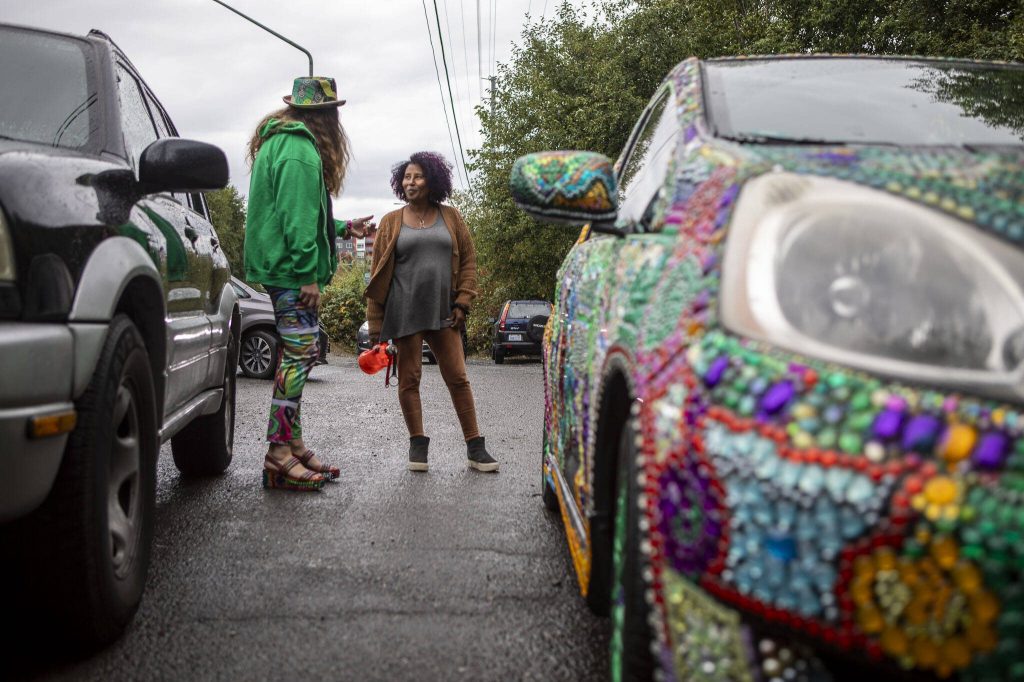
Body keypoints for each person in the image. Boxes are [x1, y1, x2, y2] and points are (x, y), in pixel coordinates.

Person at [244, 76, 375, 491]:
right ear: (325, 117)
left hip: (280, 266)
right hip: (290, 271)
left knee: (293, 356)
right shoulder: (300, 150)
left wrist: (341, 226)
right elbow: (296, 220)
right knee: (300, 358)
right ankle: (278, 454)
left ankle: (292, 444)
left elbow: (301, 211)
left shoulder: (280, 142)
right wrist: (308, 276)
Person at [364, 152, 498, 473]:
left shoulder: (450, 217)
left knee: (458, 377)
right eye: (407, 177)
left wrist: (463, 301)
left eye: (418, 177)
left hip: (444, 311)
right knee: (409, 380)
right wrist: (375, 326)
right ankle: (418, 444)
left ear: (432, 181)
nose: (411, 183)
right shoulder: (390, 222)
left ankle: (475, 447)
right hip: (404, 312)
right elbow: (377, 273)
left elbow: (468, 261)